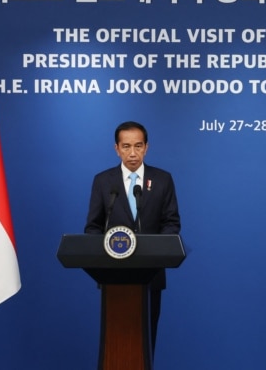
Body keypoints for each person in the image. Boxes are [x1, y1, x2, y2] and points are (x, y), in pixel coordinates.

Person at [84, 120, 181, 357]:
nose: (133, 153)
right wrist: (104, 254)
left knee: (146, 339)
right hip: (113, 276)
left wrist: (154, 251)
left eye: (138, 146)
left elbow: (172, 223)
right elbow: (92, 227)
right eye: (126, 146)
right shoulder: (103, 181)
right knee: (116, 342)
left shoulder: (162, 180)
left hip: (150, 276)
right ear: (116, 149)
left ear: (146, 147)